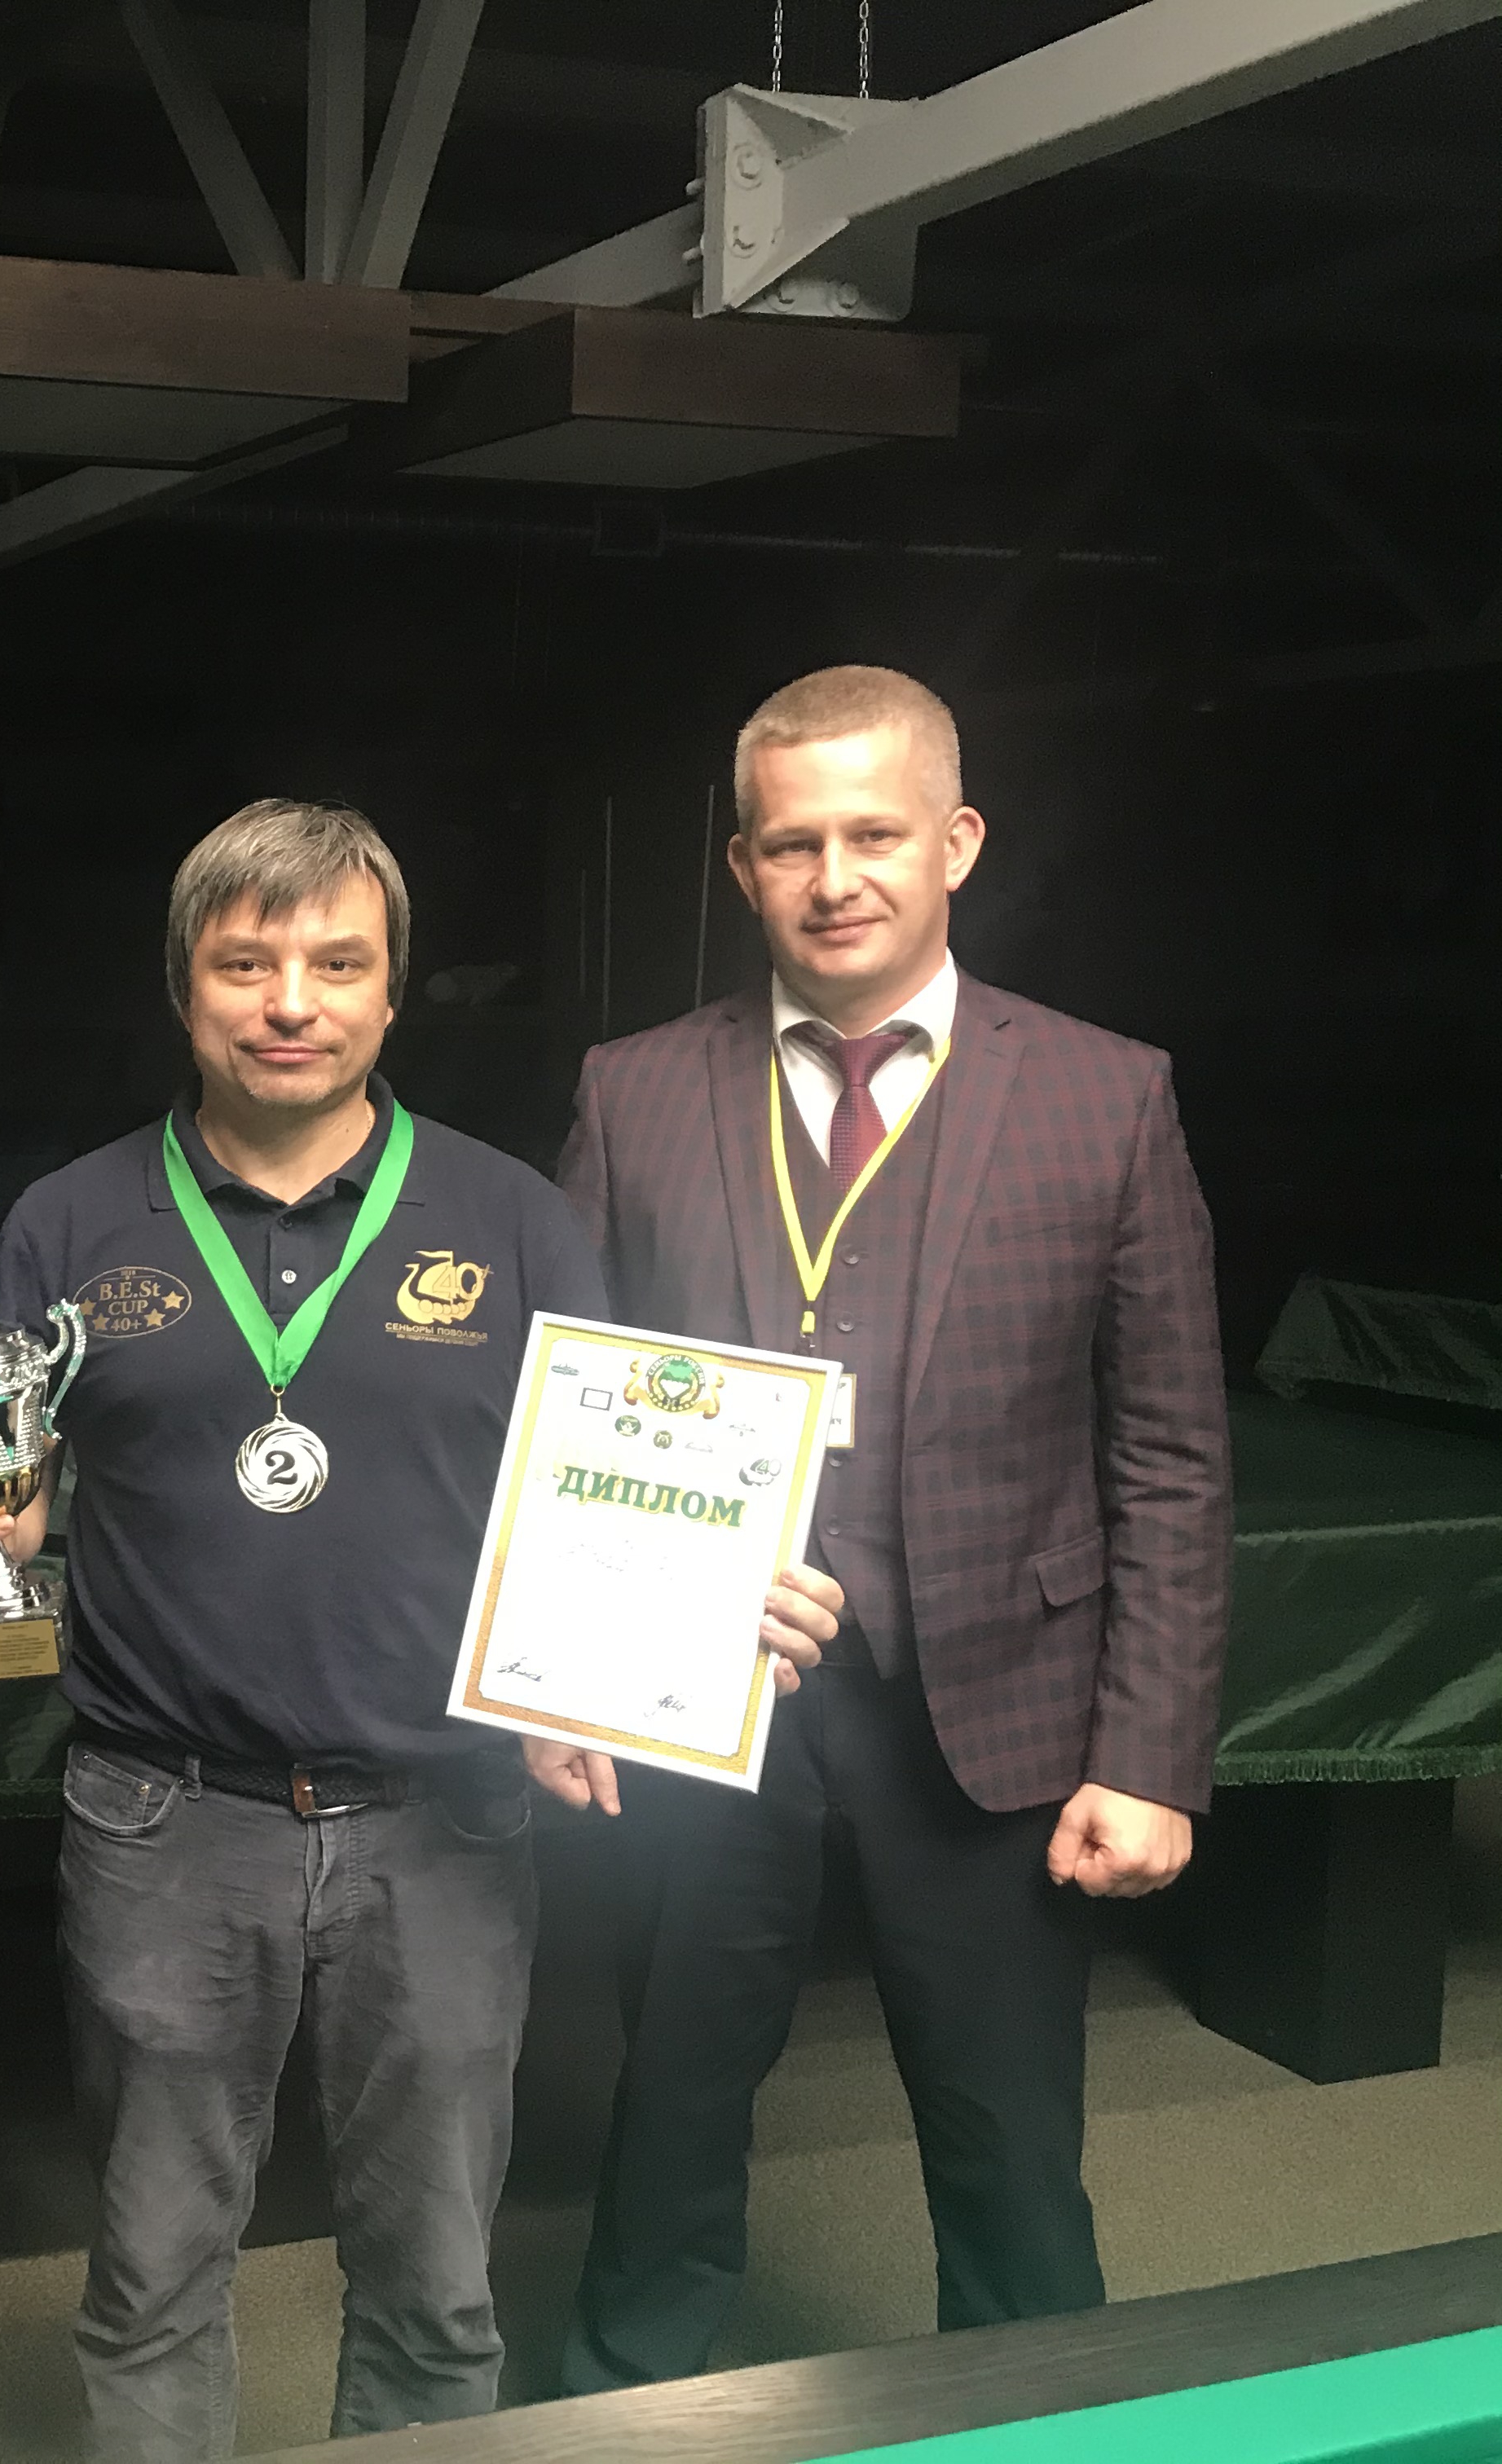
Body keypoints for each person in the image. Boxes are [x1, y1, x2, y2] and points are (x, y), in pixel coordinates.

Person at [0, 799, 843, 2458]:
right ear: (183, 986)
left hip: (444, 1819)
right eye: (246, 962)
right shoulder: (66, 1221)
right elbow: (25, 1496)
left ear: (392, 992)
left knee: (435, 2283)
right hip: (163, 1819)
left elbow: (605, 1483)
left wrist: (719, 1590)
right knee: (152, 2274)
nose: (292, 1001)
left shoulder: (510, 1216)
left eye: (337, 964)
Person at [544, 664, 1233, 2389]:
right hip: (697, 1704)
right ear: (741, 865)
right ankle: (628, 2410)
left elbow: (1169, 1453)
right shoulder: (634, 1091)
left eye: (873, 834)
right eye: (792, 843)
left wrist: (1150, 1754)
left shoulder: (1105, 1093)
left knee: (1010, 2151)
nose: (833, 876)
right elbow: (572, 1410)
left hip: (996, 1712)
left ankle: (1038, 2421)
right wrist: (563, 1671)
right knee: (667, 2119)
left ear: (957, 842)